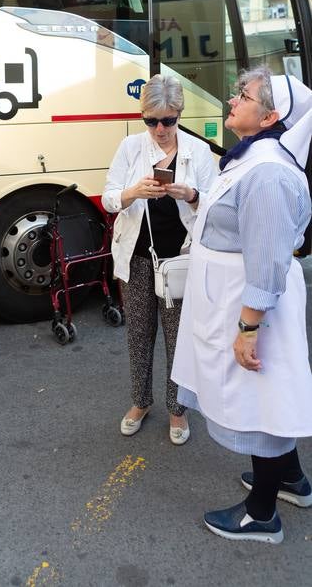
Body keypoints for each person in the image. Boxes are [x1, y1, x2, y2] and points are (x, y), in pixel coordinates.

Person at [172, 66, 312, 544]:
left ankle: (262, 515)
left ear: (270, 115)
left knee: (262, 401)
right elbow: (234, 218)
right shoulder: (254, 157)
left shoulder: (269, 172)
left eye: (243, 95)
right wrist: (193, 195)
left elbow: (269, 259)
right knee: (268, 395)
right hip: (236, 300)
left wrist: (248, 327)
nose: (232, 100)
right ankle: (291, 479)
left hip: (252, 307)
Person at [102, 74, 217, 445]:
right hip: (136, 257)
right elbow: (107, 197)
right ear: (143, 116)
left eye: (168, 120)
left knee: (178, 339)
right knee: (138, 334)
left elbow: (214, 206)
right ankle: (140, 402)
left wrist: (191, 194)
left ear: (180, 115)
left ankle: (177, 408)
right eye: (151, 120)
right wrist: (132, 192)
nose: (160, 129)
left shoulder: (197, 152)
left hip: (179, 260)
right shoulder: (131, 147)